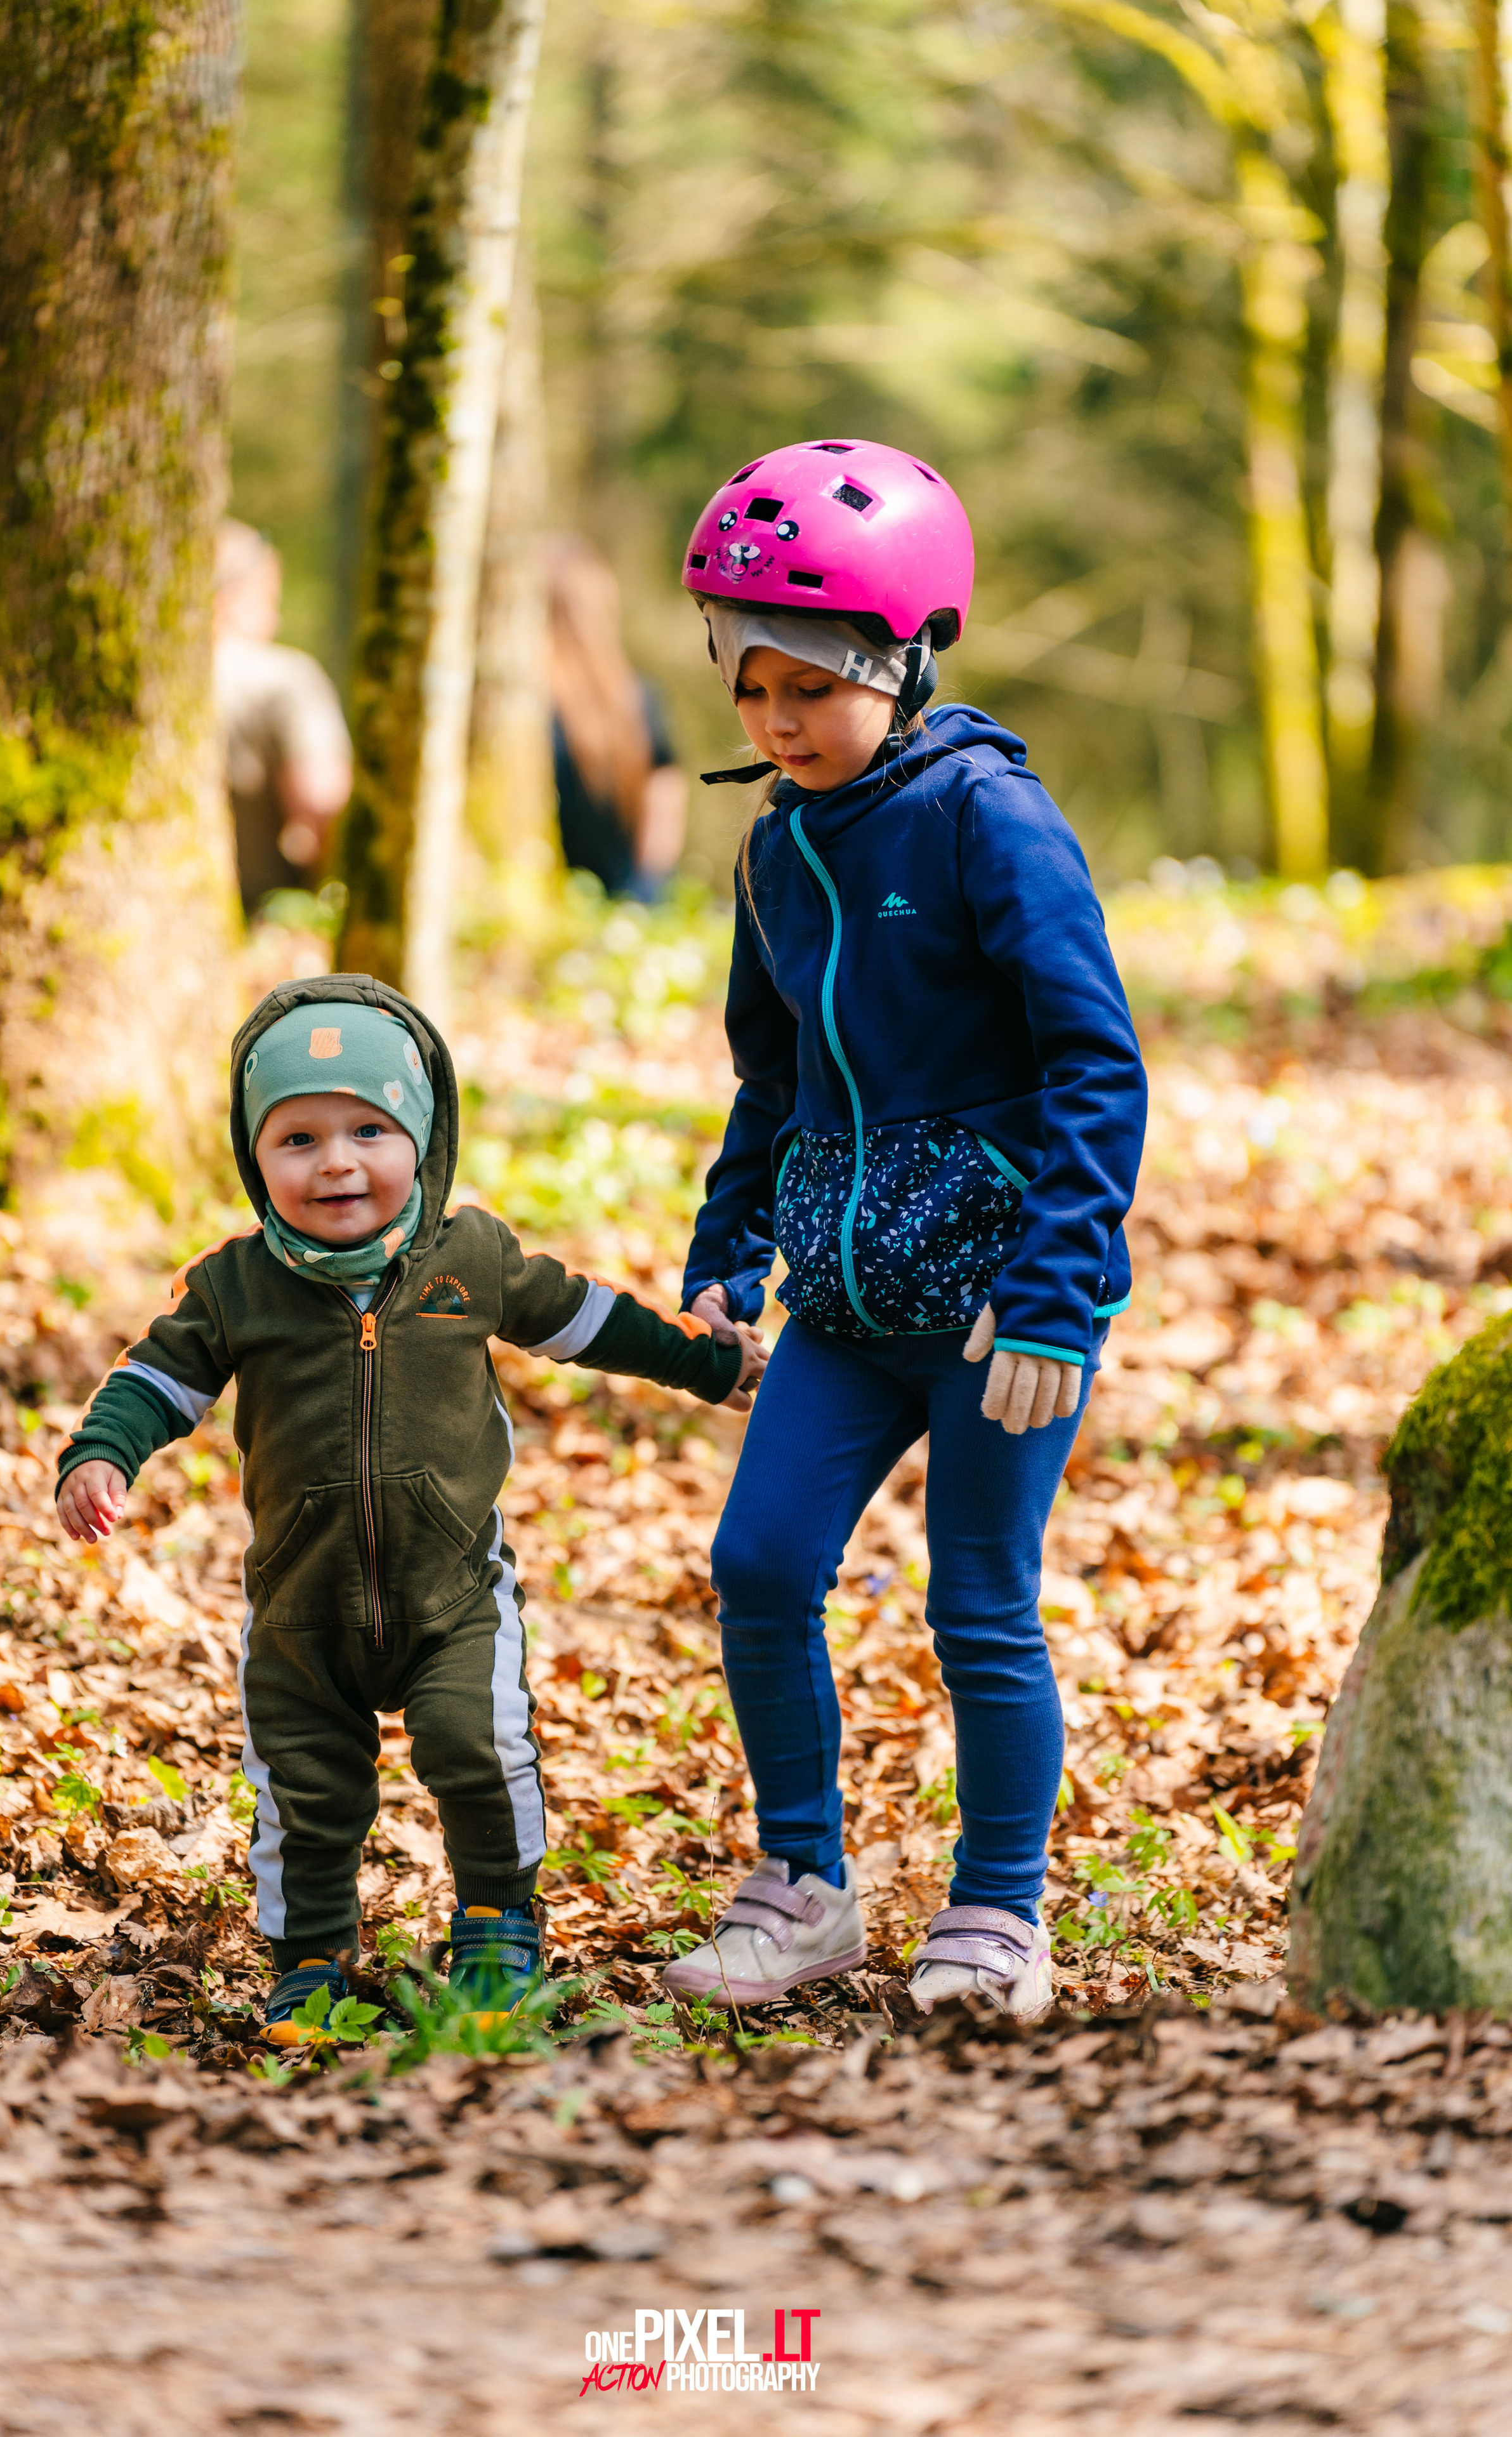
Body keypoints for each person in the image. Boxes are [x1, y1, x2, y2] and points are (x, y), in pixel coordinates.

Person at [661, 439, 1148, 2024]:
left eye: (805, 685)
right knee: (757, 1559)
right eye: (748, 689)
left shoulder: (985, 820)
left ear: (896, 658)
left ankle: (998, 1909)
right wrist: (727, 1245)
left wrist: (1060, 1291)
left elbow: (1094, 1061)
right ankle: (800, 1884)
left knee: (976, 1602)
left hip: (1004, 1309)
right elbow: (772, 1068)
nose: (775, 722)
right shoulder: (776, 846)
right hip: (847, 1306)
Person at [54, 977, 765, 2042]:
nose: (337, 1162)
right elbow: (158, 1378)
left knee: (479, 1750)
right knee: (304, 1789)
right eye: (297, 1139)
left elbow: (587, 1319)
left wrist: (707, 1365)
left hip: (454, 1594)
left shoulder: (468, 1259)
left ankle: (496, 1925)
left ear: (423, 1142)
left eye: (369, 1130)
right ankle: (311, 1963)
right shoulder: (235, 1285)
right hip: (301, 1608)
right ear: (254, 1159)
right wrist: (101, 1454)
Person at [214, 520, 354, 911]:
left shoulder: (145, 680)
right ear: (231, 597)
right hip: (262, 915)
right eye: (269, 600)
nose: (276, 621)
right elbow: (323, 809)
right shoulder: (287, 680)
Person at [548, 534, 688, 900]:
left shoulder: (530, 709)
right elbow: (666, 801)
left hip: (553, 910)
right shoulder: (638, 698)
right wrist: (645, 897)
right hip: (623, 909)